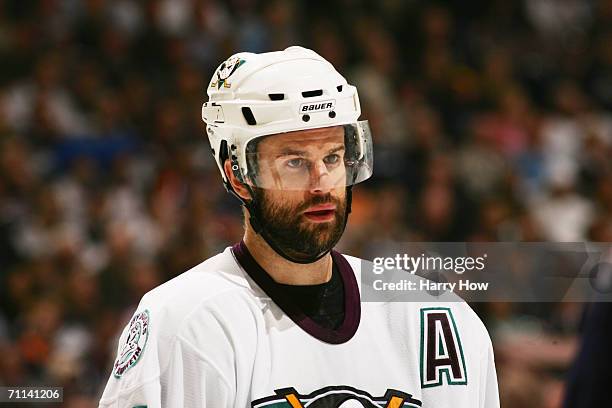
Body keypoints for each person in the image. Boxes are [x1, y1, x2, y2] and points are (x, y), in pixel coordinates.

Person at [98, 46, 499, 408]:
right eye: (294, 162)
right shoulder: (186, 320)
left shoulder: (437, 318)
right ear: (238, 177)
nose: (321, 183)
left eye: (333, 157)